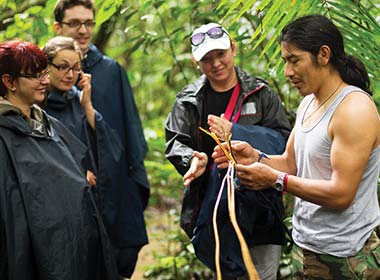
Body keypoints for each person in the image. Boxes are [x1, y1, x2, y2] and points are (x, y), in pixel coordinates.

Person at [213, 15, 380, 279]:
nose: (288, 72)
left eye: (294, 60)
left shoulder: (354, 110)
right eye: (285, 62)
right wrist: (255, 157)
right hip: (306, 248)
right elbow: (291, 164)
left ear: (323, 54)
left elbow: (341, 194)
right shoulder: (308, 104)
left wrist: (275, 180)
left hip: (346, 257)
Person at [165, 22, 292, 279]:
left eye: (221, 54)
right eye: (207, 59)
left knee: (264, 273)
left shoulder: (261, 93)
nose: (216, 64)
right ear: (196, 62)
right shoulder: (189, 100)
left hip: (261, 206)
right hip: (214, 208)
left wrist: (237, 132)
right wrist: (193, 159)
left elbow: (285, 142)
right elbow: (175, 141)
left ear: (233, 49)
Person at [0, 40, 119, 280]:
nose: (45, 80)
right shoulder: (4, 137)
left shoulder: (49, 125)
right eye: (35, 75)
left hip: (73, 252)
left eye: (44, 72)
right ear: (9, 82)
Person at [52, 1, 150, 277]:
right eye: (74, 23)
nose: (83, 30)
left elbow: (131, 131)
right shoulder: (45, 72)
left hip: (116, 182)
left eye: (89, 23)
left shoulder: (110, 70)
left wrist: (137, 181)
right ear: (58, 27)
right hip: (71, 191)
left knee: (122, 257)